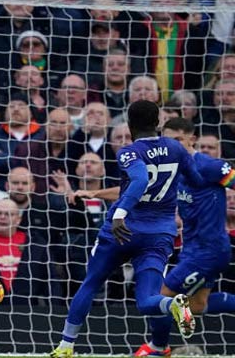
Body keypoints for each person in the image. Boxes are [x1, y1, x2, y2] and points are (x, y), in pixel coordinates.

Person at [49, 101, 204, 358]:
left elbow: (140, 179)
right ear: (158, 124)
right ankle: (171, 304)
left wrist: (120, 213)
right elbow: (196, 180)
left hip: (121, 230)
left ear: (130, 125)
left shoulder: (129, 152)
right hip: (159, 233)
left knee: (91, 282)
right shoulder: (176, 147)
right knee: (147, 300)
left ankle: (66, 346)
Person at [75, 118, 235, 356]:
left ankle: (158, 347)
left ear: (192, 138)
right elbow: (133, 190)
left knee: (157, 297)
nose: (175, 144)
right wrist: (95, 192)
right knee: (199, 305)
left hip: (208, 251)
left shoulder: (208, 165)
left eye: (179, 139)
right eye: (170, 139)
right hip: (194, 249)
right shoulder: (173, 166)